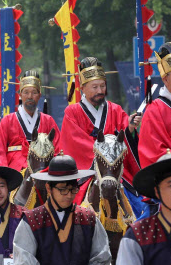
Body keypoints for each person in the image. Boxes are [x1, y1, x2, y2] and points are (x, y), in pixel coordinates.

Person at [59, 57, 141, 204]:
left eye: (102, 86)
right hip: (88, 171)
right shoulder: (72, 112)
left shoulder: (115, 109)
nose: (100, 91)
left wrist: (130, 128)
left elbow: (125, 136)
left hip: (115, 170)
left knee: (139, 202)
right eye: (95, 87)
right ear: (83, 87)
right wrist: (104, 153)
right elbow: (74, 144)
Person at [0, 70, 61, 171]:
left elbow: (58, 149)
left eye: (34, 93)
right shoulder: (8, 121)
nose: (30, 97)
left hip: (44, 168)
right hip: (15, 171)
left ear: (39, 96)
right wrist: (3, 174)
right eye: (26, 92)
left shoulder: (48, 121)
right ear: (20, 95)